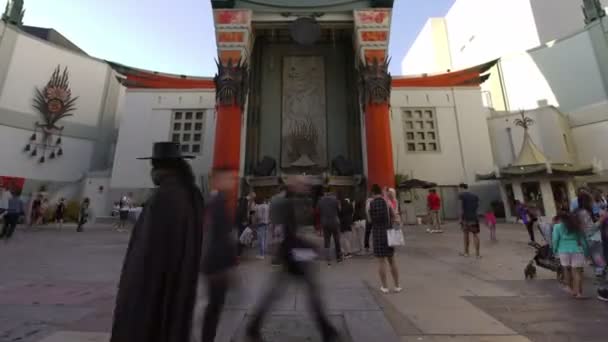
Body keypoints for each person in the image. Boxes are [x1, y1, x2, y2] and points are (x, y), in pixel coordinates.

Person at [110, 142, 204, 342]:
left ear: (161, 167)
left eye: (153, 166)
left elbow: (146, 249)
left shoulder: (164, 196)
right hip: (180, 274)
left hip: (155, 279)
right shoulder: (190, 193)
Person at [246, 176, 339, 342]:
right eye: (302, 184)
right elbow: (284, 233)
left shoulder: (287, 201)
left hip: (291, 253)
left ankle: (254, 325)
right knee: (306, 293)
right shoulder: (283, 203)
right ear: (293, 186)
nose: (305, 187)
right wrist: (310, 248)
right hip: (291, 254)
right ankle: (326, 330)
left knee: (280, 293)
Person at [200, 167, 238, 342]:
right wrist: (222, 266)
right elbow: (216, 237)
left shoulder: (219, 201)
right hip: (216, 265)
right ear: (217, 180)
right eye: (229, 178)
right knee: (214, 306)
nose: (232, 182)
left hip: (217, 264)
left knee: (215, 306)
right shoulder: (215, 203)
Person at [367, 184, 401, 294]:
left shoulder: (369, 204)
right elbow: (394, 216)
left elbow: (369, 220)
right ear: (380, 193)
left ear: (372, 193)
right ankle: (397, 286)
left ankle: (385, 287)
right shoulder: (387, 202)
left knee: (381, 261)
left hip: (377, 234)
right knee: (392, 260)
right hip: (388, 232)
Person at [552, 212, 590, 299]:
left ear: (561, 219)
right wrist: (587, 253)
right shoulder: (577, 226)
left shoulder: (557, 226)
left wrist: (554, 250)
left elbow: (555, 239)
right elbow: (583, 241)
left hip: (563, 250)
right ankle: (579, 292)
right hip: (577, 250)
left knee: (566, 269)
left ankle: (569, 287)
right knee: (577, 272)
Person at [575, 192, 606, 280]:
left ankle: (600, 280)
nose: (593, 203)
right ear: (586, 201)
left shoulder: (579, 212)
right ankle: (602, 283)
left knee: (597, 262)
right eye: (591, 201)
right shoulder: (584, 213)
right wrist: (601, 220)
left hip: (589, 240)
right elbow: (590, 229)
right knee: (599, 262)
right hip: (593, 240)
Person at [317, 189, 342, 264]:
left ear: (324, 193)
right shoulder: (335, 200)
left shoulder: (320, 201)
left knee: (326, 240)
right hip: (334, 222)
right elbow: (339, 210)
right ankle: (338, 257)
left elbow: (318, 211)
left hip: (325, 222)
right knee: (337, 239)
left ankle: (328, 259)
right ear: (330, 192)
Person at [458, 184, 481, 258]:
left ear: (461, 188)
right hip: (474, 218)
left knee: (466, 235)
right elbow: (477, 207)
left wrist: (460, 219)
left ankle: (466, 253)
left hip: (465, 218)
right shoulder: (475, 196)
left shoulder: (461, 196)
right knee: (475, 234)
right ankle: (477, 254)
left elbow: (461, 208)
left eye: (459, 189)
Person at [269, 186, 288, 266]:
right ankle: (278, 259)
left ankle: (274, 259)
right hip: (281, 224)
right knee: (280, 241)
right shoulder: (283, 200)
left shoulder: (273, 199)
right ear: (282, 191)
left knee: (274, 241)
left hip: (274, 223)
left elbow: (270, 212)